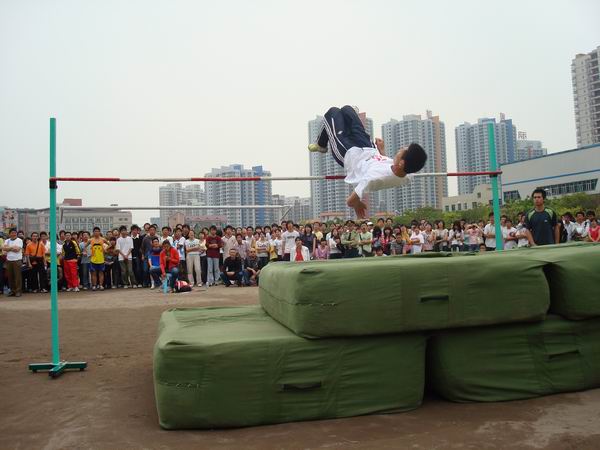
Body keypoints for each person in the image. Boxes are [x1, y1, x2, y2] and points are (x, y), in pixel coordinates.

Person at [309, 105, 427, 218]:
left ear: (402, 163)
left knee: (333, 112)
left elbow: (350, 201)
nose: (400, 149)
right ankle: (348, 116)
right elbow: (387, 168)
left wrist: (357, 204)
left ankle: (321, 145)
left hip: (349, 154)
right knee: (347, 109)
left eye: (403, 150)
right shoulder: (407, 174)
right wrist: (382, 151)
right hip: (368, 148)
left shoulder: (373, 178)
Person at [3, 228, 23, 297]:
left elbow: (17, 249)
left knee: (17, 277)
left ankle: (18, 291)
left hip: (17, 260)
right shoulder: (7, 240)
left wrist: (8, 248)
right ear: (9, 234)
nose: (13, 234)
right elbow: (4, 249)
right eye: (12, 233)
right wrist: (12, 248)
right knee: (10, 277)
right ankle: (12, 291)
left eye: (15, 233)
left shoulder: (19, 240)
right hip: (9, 260)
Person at [88, 227, 108, 291]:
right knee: (94, 273)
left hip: (101, 259)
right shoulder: (90, 240)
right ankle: (94, 285)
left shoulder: (103, 239)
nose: (96, 232)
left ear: (99, 232)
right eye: (95, 231)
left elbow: (110, 244)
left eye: (97, 231)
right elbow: (85, 246)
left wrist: (105, 249)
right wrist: (86, 252)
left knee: (101, 273)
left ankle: (101, 285)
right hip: (93, 259)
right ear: (93, 232)